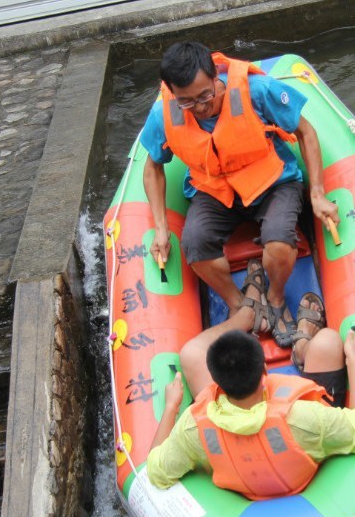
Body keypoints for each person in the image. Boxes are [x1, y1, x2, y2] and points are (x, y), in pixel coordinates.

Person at [141, 41, 339, 347]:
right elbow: (153, 167)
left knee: (279, 238)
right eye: (187, 102)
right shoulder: (163, 114)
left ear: (215, 76)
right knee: (194, 243)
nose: (200, 107)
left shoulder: (256, 90)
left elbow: (305, 132)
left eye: (205, 95)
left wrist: (317, 193)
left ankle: (274, 297)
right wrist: (161, 229)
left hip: (271, 181)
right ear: (171, 92)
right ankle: (239, 304)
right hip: (214, 189)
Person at [145, 273, 355, 499]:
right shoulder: (306, 418)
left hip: (245, 487)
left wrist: (171, 407)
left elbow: (155, 472)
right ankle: (301, 343)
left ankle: (244, 318)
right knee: (327, 341)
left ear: (217, 385)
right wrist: (353, 359)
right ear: (265, 370)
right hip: (302, 471)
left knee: (190, 354)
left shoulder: (192, 427)